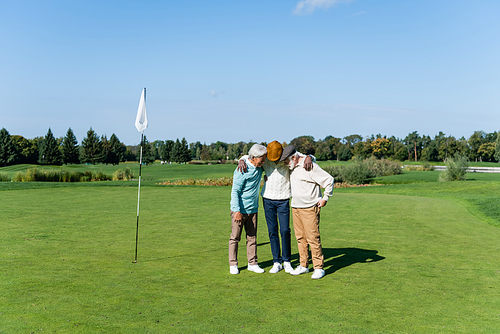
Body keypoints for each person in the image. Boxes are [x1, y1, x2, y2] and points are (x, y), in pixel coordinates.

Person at [237, 141, 313, 274]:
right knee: (272, 231)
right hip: (268, 198)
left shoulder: (288, 157)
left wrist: (309, 157)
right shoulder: (265, 159)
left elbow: (307, 157)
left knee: (285, 230)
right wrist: (241, 160)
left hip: (283, 198)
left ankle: (287, 261)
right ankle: (276, 262)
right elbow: (248, 156)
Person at [280, 145, 334, 279]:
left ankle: (319, 267)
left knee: (313, 238)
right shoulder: (294, 165)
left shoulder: (309, 166)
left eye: (287, 161)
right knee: (300, 238)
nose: (286, 164)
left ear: (293, 158)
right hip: (296, 207)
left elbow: (329, 180)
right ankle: (303, 265)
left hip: (310, 207)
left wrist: (325, 198)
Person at [229, 144, 267, 275]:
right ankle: (233, 264)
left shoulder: (259, 167)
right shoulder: (242, 169)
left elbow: (247, 156)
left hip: (253, 209)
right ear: (253, 158)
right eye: (262, 159)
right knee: (235, 238)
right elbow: (235, 191)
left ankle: (253, 263)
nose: (264, 161)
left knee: (252, 238)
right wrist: (236, 211)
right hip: (239, 210)